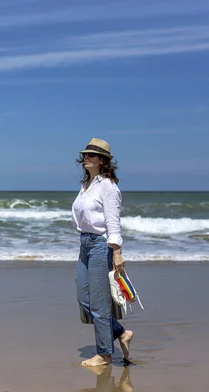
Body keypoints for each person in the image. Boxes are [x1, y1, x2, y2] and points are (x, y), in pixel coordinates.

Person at [71, 138, 133, 367]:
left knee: (99, 305)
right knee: (83, 298)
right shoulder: (87, 185)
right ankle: (121, 333)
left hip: (101, 245)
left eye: (92, 155)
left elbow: (113, 222)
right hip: (85, 243)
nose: (86, 158)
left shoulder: (108, 186)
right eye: (85, 155)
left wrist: (117, 252)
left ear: (103, 160)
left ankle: (105, 354)